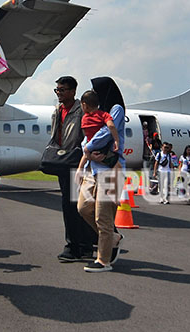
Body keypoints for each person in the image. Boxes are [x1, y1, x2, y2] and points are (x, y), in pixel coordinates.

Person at [43, 76, 97, 263]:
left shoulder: (80, 112)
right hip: (63, 163)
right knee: (71, 205)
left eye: (63, 90)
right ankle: (83, 245)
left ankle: (75, 246)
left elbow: (86, 138)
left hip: (76, 164)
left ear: (73, 91)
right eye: (57, 90)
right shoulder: (58, 111)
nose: (59, 93)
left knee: (73, 205)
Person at [76, 88, 122, 273]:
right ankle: (112, 238)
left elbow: (106, 132)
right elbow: (85, 142)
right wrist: (84, 162)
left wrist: (88, 149)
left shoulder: (114, 111)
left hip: (109, 170)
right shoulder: (90, 117)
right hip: (92, 169)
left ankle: (103, 261)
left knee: (102, 217)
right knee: (83, 207)